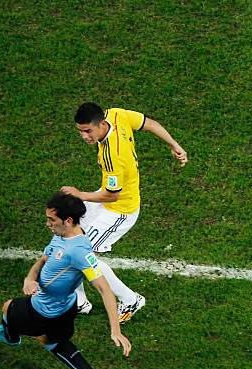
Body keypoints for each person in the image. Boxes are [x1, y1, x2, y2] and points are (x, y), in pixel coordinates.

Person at [0, 192, 131, 369]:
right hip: (67, 308)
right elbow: (43, 260)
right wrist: (30, 278)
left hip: (43, 310)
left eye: (52, 220)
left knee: (8, 307)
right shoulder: (62, 235)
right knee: (51, 341)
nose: (48, 224)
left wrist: (115, 330)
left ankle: (10, 337)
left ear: (67, 220)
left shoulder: (79, 251)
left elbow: (104, 289)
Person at [61, 102, 188, 323]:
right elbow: (150, 124)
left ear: (101, 124)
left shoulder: (113, 155)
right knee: (66, 231)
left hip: (118, 211)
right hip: (108, 197)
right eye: (80, 131)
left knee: (83, 254)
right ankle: (79, 300)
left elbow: (112, 196)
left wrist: (79, 194)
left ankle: (130, 299)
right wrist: (174, 144)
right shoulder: (116, 115)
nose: (84, 136)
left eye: (88, 131)